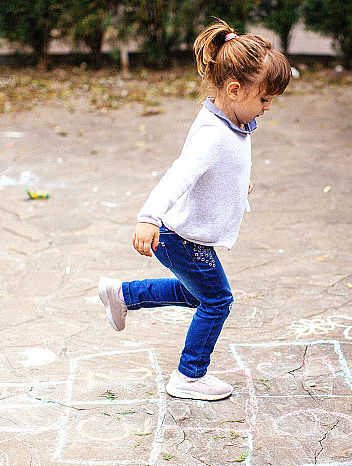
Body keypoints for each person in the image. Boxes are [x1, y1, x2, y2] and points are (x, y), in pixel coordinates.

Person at [98, 20, 290, 401]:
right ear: (234, 90)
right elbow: (179, 175)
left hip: (185, 235)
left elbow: (224, 166)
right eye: (264, 99)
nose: (267, 108)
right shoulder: (213, 133)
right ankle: (189, 375)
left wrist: (237, 184)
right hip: (178, 236)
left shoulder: (233, 120)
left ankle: (122, 294)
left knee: (196, 294)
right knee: (218, 300)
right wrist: (148, 217)